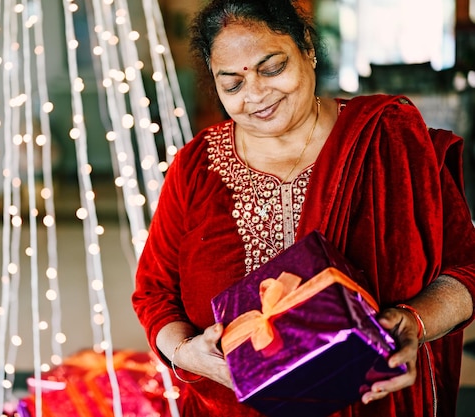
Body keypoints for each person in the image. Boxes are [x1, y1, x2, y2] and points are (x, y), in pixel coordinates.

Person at [131, 0, 475, 416]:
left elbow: (466, 269)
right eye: (232, 84)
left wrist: (414, 323)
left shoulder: (390, 139)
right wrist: (185, 352)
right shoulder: (195, 166)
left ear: (307, 48)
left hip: (373, 403)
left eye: (272, 67)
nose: (255, 94)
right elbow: (154, 293)